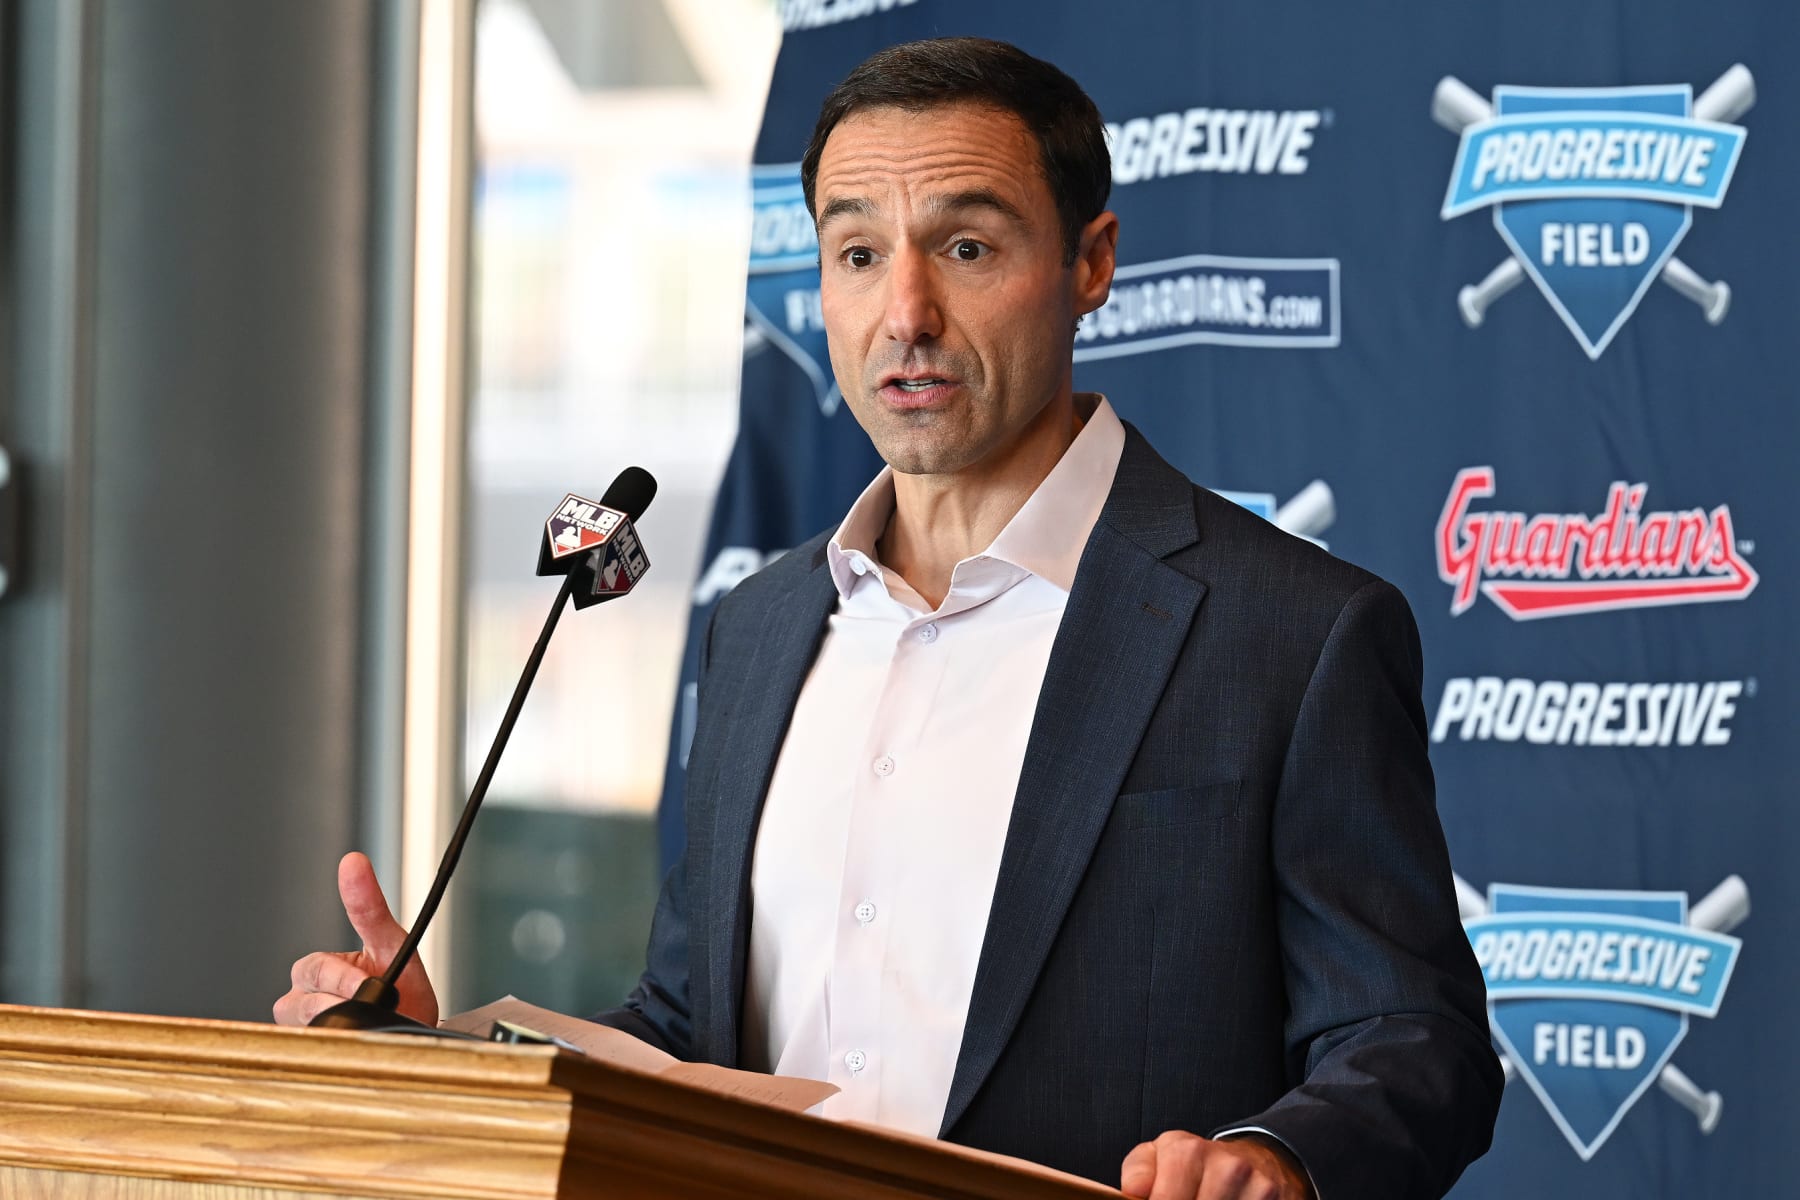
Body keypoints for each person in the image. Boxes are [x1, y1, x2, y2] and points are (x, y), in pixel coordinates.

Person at [277, 37, 1502, 1200]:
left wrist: (1272, 1157)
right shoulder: (758, 628)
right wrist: (445, 1063)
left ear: (1091, 262)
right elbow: (690, 1027)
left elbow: (1413, 1040)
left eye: (966, 248)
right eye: (857, 255)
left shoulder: (1290, 632)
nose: (904, 313)